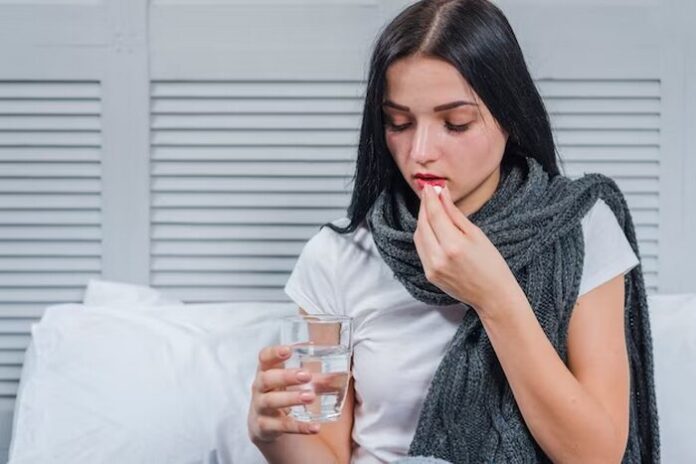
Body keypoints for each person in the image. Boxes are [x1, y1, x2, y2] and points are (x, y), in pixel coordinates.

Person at [247, 0, 660, 463]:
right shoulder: (337, 257)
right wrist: (276, 435)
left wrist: (494, 296)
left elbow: (596, 455)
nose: (420, 151)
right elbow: (326, 450)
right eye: (398, 123)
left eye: (455, 123)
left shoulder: (580, 228)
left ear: (509, 115)